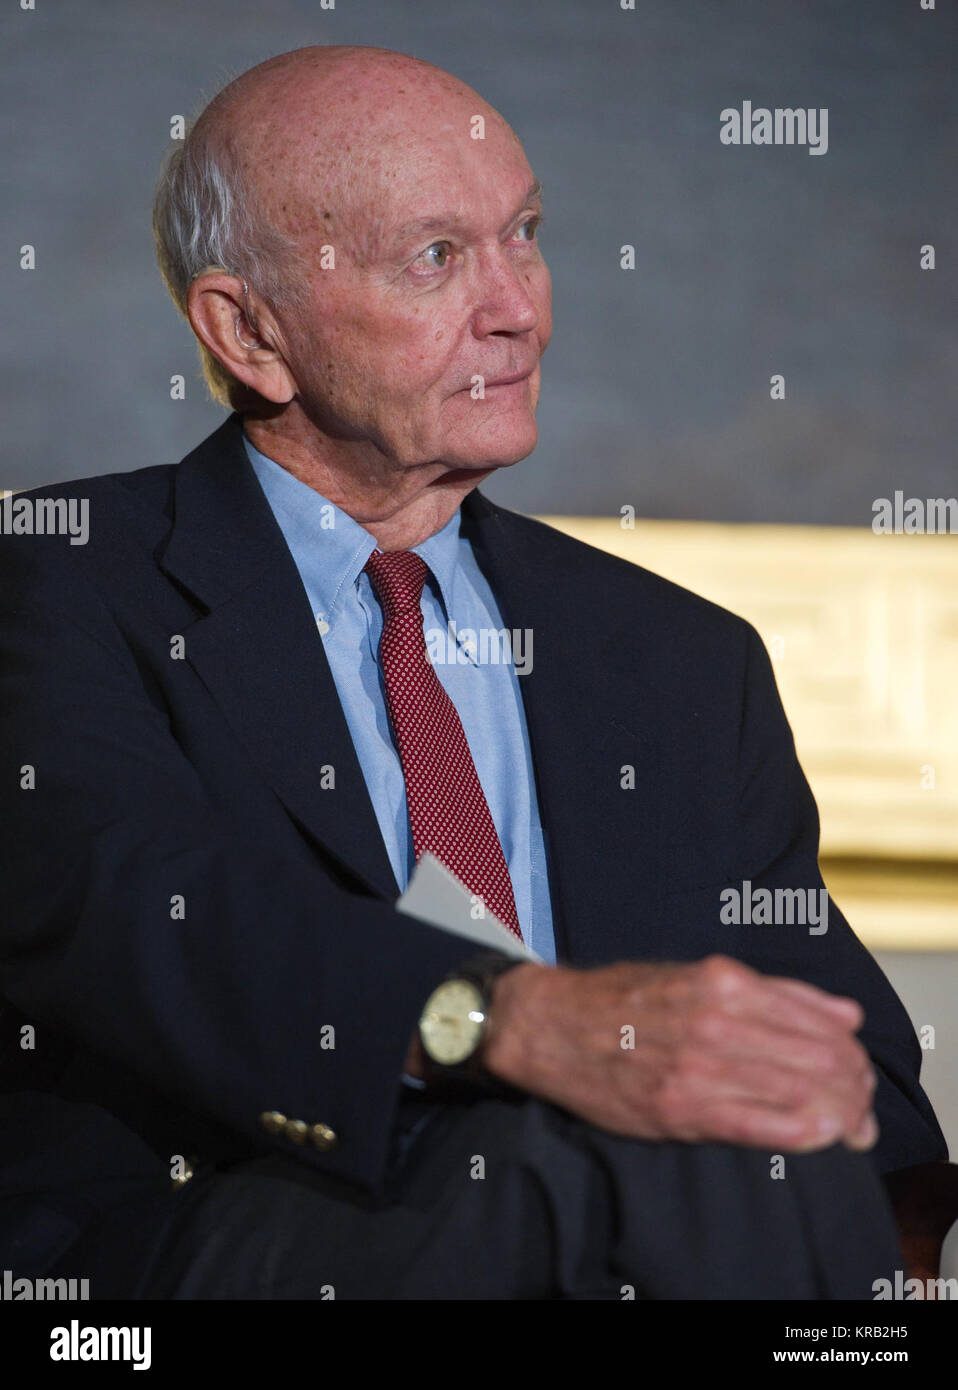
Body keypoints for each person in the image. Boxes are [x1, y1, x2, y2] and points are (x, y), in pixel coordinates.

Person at [0, 44, 946, 1300]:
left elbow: (860, 1072)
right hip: (204, 1239)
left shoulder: (676, 662)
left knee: (752, 1164)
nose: (522, 308)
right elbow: (152, 917)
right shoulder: (62, 579)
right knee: (594, 1168)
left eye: (526, 236)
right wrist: (512, 1022)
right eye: (437, 259)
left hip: (655, 1231)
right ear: (249, 331)